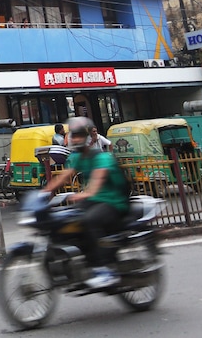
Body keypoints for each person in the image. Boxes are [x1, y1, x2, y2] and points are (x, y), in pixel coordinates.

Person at [42, 116, 131, 289]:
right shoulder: (78, 158)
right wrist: (42, 193)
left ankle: (103, 269)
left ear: (88, 137)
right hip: (94, 201)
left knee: (89, 220)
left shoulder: (102, 158)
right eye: (74, 136)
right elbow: (64, 176)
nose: (76, 139)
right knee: (67, 219)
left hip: (113, 202)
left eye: (80, 136)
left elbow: (96, 183)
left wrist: (82, 195)